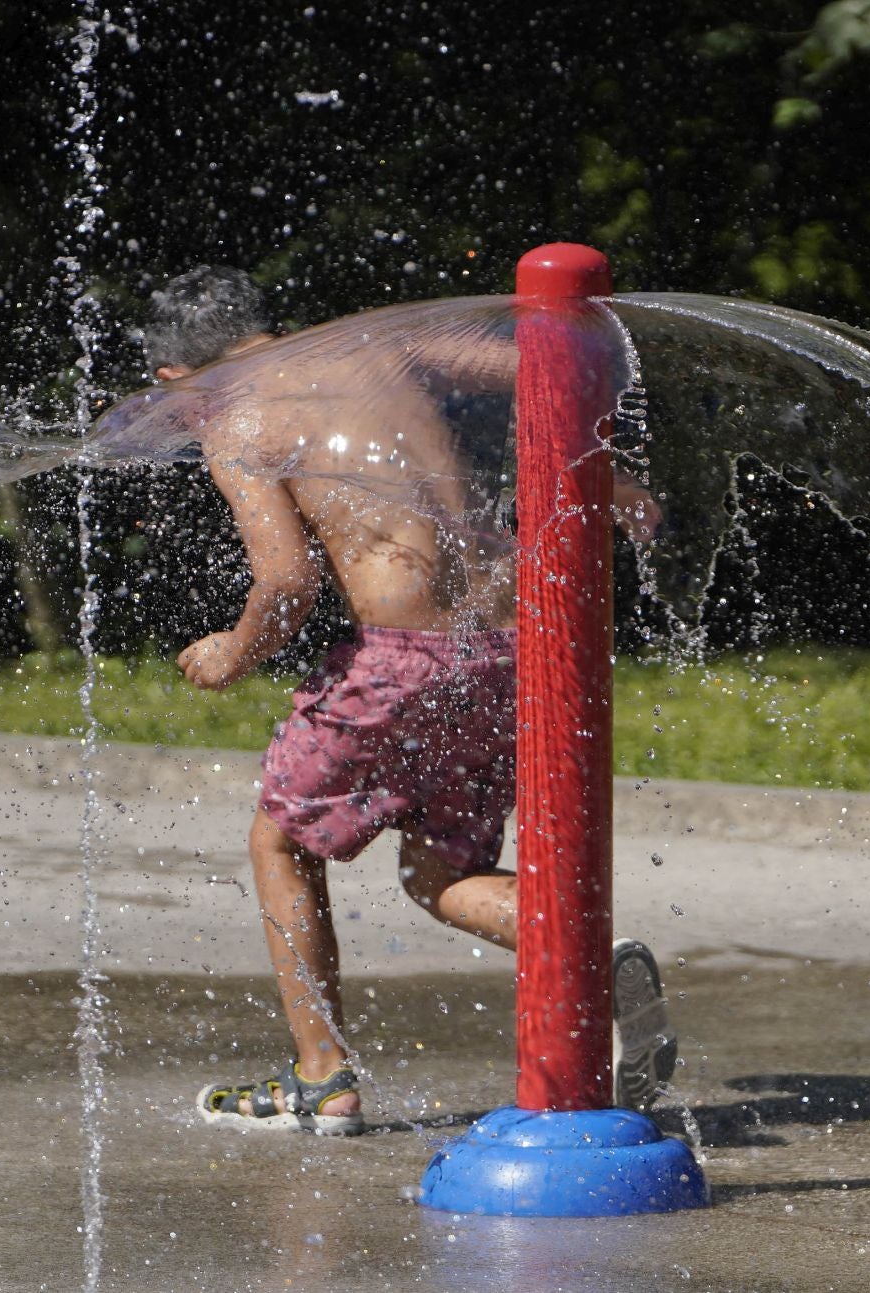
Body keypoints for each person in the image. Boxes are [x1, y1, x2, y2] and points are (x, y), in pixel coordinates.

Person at [150, 266, 674, 1135]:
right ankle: (588, 955)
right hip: (512, 648)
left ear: (176, 378)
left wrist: (228, 654)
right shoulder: (380, 343)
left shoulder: (236, 419)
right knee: (441, 871)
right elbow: (543, 366)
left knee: (279, 838)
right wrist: (599, 477)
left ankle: (323, 1080)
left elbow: (286, 583)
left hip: (403, 658)